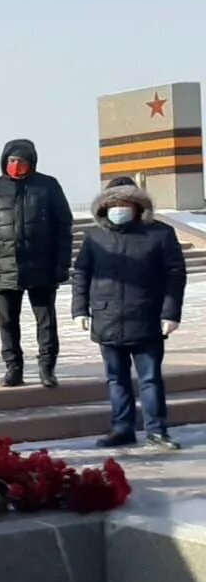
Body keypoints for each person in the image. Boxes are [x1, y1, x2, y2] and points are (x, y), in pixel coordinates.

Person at [71, 175, 187, 450]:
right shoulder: (95, 237)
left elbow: (175, 275)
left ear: (137, 205)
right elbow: (81, 273)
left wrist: (171, 313)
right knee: (116, 378)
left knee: (149, 378)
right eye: (114, 203)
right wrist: (80, 309)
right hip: (107, 317)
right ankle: (122, 429)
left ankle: (157, 430)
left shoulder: (160, 234)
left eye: (125, 202)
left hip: (147, 318)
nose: (119, 208)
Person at [0, 138, 73, 388]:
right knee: (8, 322)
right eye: (12, 160)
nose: (16, 165)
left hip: (42, 267)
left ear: (32, 162)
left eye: (22, 160)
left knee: (46, 320)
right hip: (4, 269)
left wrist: (62, 264)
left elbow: (63, 227)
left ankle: (47, 367)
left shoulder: (48, 186)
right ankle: (13, 368)